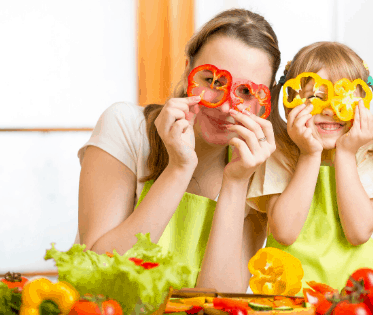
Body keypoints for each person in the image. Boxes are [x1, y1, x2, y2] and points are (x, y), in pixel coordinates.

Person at [76, 8, 281, 292]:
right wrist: (178, 169)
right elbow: (96, 276)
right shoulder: (124, 126)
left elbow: (219, 302)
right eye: (212, 81)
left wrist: (235, 182)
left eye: (245, 92)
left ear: (265, 98)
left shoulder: (258, 167)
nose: (224, 107)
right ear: (188, 73)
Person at [247, 41, 373, 293]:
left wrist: (345, 154)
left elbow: (358, 233)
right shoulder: (277, 152)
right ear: (292, 100)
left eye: (342, 96)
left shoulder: (372, 153)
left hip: (357, 296)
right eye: (315, 96)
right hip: (288, 297)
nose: (330, 109)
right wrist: (309, 154)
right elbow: (284, 232)